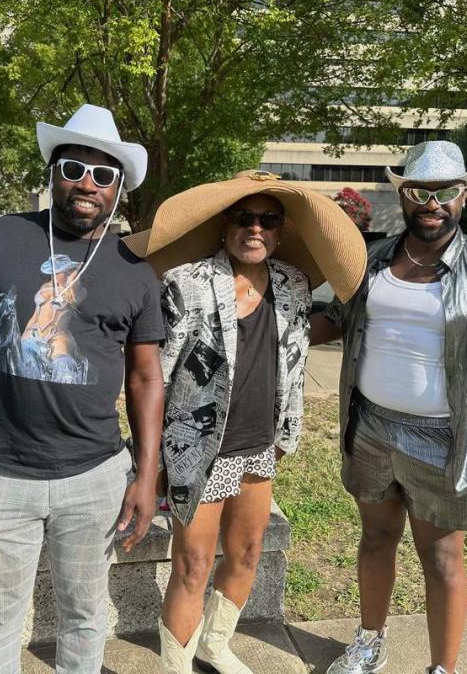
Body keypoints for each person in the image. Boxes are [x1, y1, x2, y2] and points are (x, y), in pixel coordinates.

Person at [0, 104, 164, 674]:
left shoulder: (135, 267)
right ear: (52, 169)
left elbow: (147, 376)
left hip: (95, 477)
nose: (87, 183)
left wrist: (146, 474)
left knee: (85, 615)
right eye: (74, 166)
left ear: (119, 186)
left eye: (103, 174)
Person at [124, 171, 367, 674]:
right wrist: (151, 460)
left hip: (260, 446)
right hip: (198, 451)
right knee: (192, 566)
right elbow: (154, 376)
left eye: (268, 220)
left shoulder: (293, 285)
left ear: (279, 232)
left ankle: (215, 644)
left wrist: (286, 433)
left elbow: (297, 354)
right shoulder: (185, 284)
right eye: (244, 218)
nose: (255, 228)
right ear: (223, 226)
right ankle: (176, 666)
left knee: (247, 553)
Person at [311, 141, 467, 674]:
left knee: (442, 557)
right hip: (369, 427)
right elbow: (336, 321)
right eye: (419, 192)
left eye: (445, 192)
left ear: (463, 196)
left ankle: (442, 668)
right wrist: (269, 326)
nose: (431, 204)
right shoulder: (371, 260)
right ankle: (369, 643)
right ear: (404, 196)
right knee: (376, 537)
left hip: (445, 437)